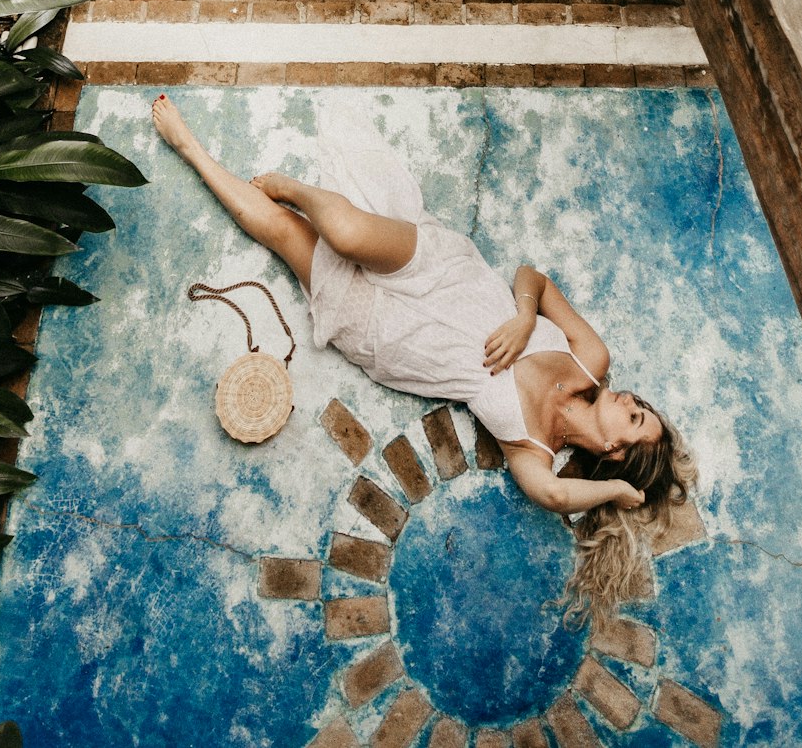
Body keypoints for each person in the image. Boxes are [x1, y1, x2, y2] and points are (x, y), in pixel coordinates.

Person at [152, 95, 696, 620]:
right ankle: (297, 188)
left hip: (400, 338)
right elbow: (534, 277)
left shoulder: (535, 453)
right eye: (640, 404)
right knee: (344, 230)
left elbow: (555, 494)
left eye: (633, 417)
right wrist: (526, 315)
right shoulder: (591, 360)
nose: (629, 399)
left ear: (613, 448)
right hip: (444, 273)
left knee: (282, 233)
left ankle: (190, 148)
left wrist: (619, 491)